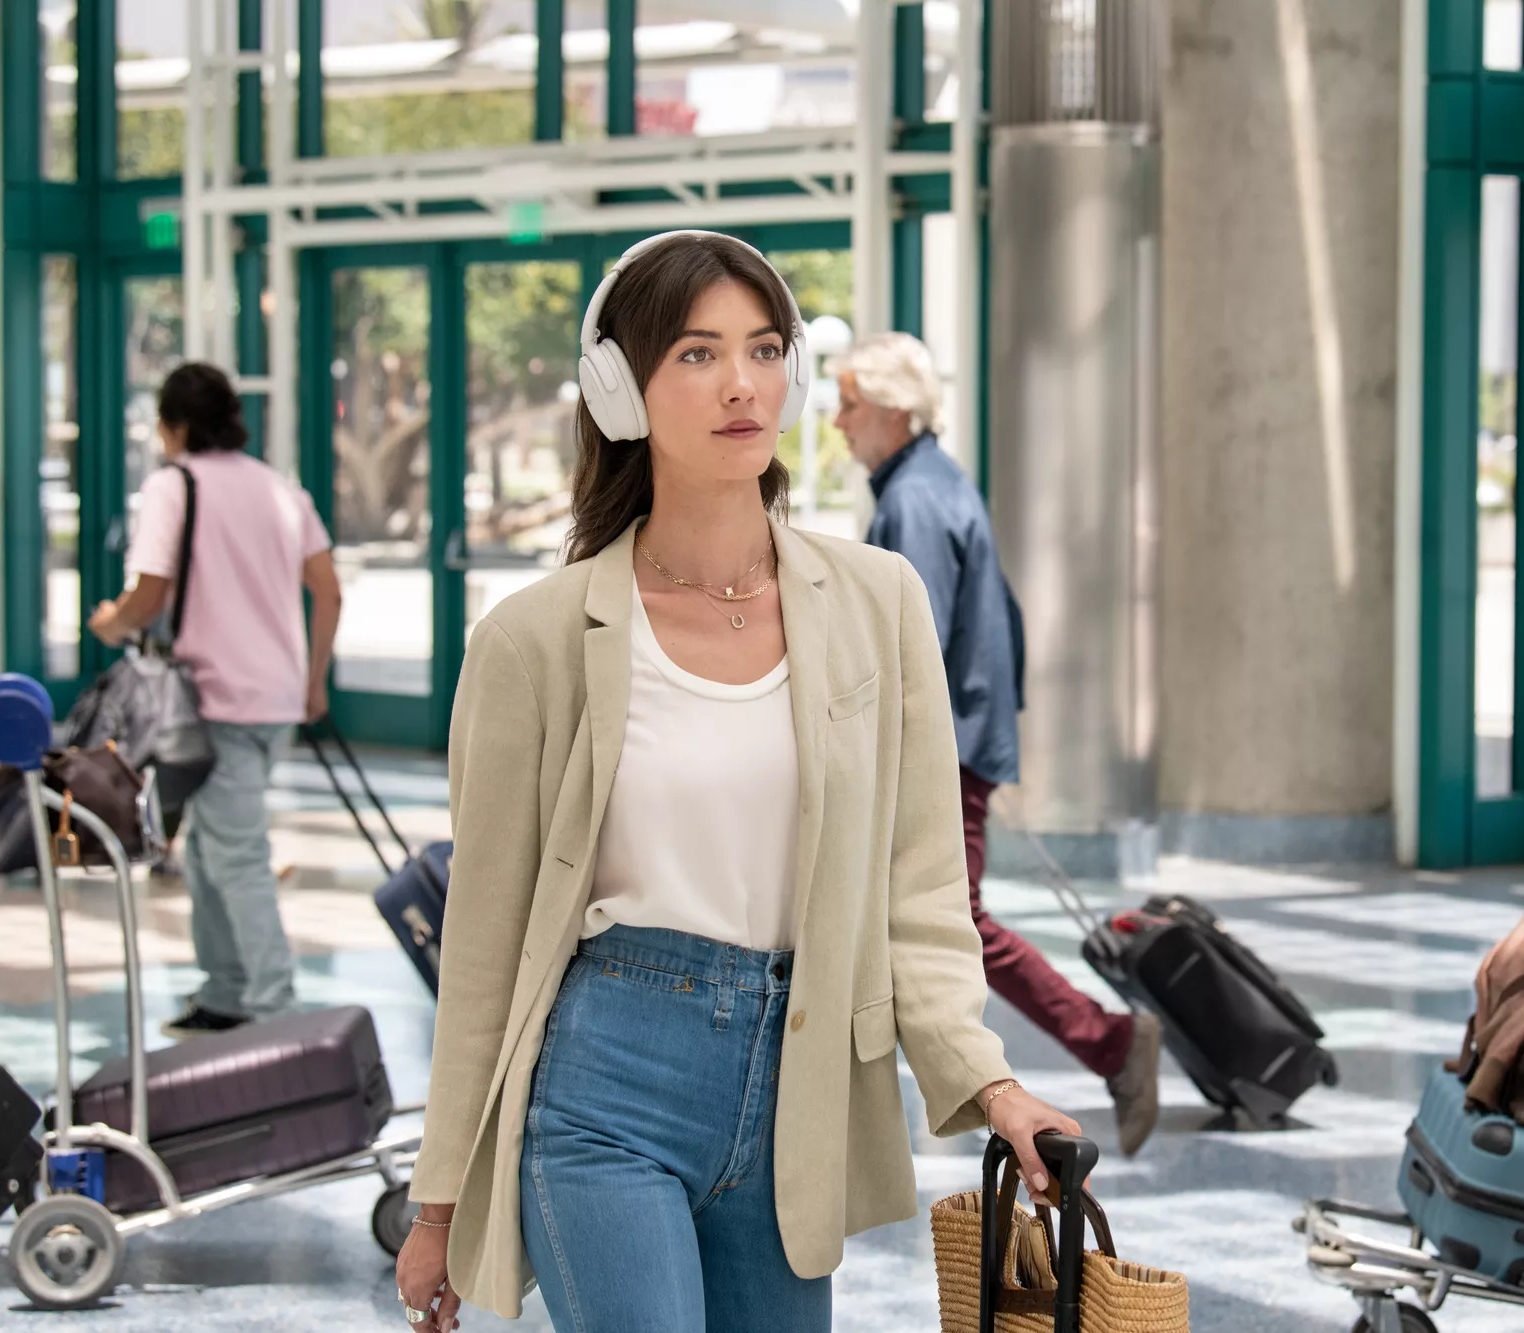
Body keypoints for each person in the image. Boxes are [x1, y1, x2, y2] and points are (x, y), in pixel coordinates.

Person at [395, 232, 1081, 1333]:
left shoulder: (877, 602)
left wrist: (993, 1087)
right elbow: (485, 937)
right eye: (698, 354)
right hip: (603, 1082)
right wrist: (439, 1200)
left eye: (764, 349)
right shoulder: (535, 639)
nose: (742, 383)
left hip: (796, 1088)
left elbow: (920, 894)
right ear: (621, 387)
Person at [833, 332, 1163, 1157]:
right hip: (965, 739)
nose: (838, 421)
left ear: (894, 410)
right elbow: (997, 620)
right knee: (943, 919)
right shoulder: (941, 481)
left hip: (939, 753)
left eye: (849, 403)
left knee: (958, 923)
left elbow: (908, 648)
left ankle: (1110, 1041)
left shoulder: (911, 500)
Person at [88, 362, 341, 1036]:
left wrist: (112, 621)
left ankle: (272, 1006)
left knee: (234, 854)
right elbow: (329, 587)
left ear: (173, 426)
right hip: (277, 698)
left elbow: (149, 593)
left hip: (215, 700)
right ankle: (226, 991)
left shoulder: (175, 486)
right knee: (207, 848)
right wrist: (314, 680)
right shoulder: (280, 488)